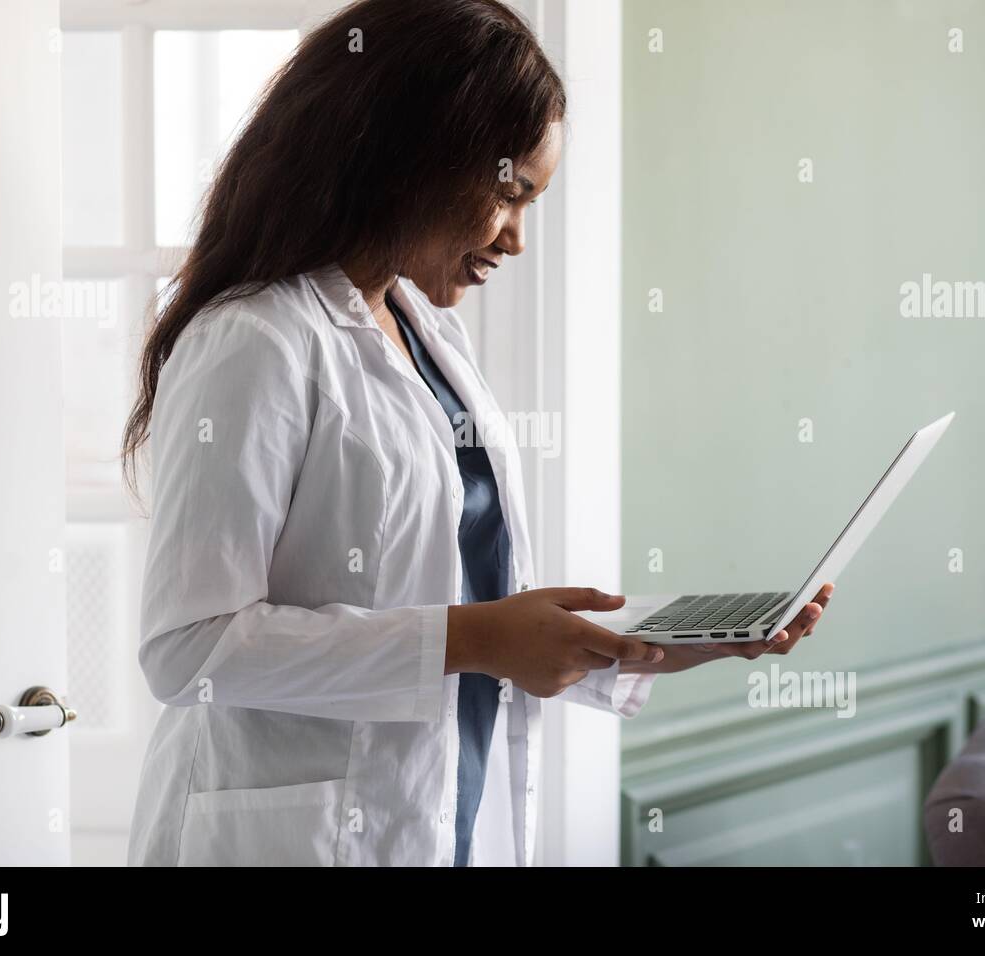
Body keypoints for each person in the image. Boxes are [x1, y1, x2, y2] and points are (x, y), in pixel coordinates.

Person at [120, 0, 832, 867]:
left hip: (441, 819)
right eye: (509, 194)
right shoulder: (255, 340)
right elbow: (187, 649)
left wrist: (647, 647)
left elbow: (472, 598)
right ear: (410, 154)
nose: (519, 240)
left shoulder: (424, 332)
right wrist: (479, 638)